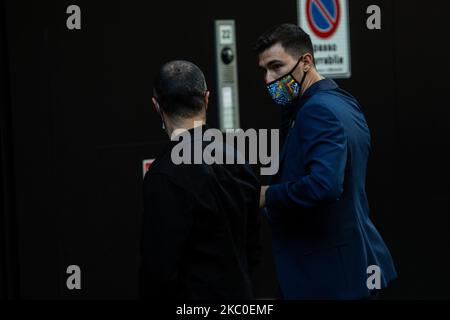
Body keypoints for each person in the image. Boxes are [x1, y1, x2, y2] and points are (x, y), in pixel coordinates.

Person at [256, 24, 397, 299]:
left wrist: (266, 195)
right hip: (347, 267)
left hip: (330, 275)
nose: (269, 78)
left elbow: (325, 186)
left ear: (305, 62)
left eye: (276, 66)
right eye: (263, 70)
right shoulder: (341, 101)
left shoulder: (317, 110)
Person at [139, 60, 261, 300]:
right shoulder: (239, 160)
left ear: (157, 106)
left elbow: (158, 271)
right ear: (206, 99)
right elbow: (253, 251)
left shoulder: (163, 175)